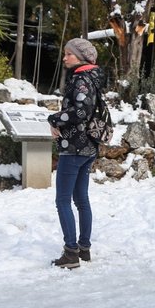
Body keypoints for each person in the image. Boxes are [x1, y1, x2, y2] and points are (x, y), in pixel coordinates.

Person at [47, 38, 105, 268]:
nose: (64, 58)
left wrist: (54, 119)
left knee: (63, 200)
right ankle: (84, 248)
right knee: (81, 199)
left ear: (80, 57)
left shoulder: (81, 80)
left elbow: (81, 111)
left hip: (74, 147)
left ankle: (71, 252)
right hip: (88, 146)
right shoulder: (92, 78)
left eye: (68, 54)